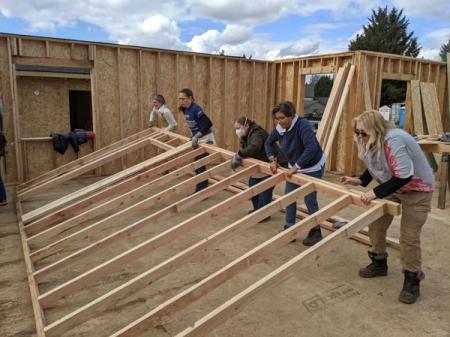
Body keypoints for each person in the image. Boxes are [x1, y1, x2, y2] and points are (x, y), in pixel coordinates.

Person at [341, 109, 434, 304]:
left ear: (376, 129)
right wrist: (359, 181)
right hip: (395, 185)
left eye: (363, 133)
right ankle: (379, 262)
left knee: (408, 237)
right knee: (375, 222)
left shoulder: (393, 140)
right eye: (357, 132)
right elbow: (376, 164)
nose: (359, 136)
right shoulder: (372, 140)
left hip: (418, 189)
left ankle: (412, 279)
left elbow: (403, 175)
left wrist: (374, 193)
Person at [265, 101, 326, 246]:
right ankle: (289, 229)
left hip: (313, 167)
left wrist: (296, 166)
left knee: (309, 199)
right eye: (277, 118)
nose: (279, 121)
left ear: (291, 116)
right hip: (295, 166)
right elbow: (268, 142)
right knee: (289, 197)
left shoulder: (302, 125)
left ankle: (316, 231)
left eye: (282, 118)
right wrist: (272, 160)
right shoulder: (280, 128)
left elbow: (311, 148)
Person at [231, 116, 287, 218]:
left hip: (273, 162)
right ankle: (257, 210)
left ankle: (264, 214)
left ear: (246, 125)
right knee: (253, 184)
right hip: (261, 163)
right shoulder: (246, 134)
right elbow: (247, 148)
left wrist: (239, 154)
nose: (237, 131)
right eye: (236, 128)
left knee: (265, 188)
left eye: (238, 128)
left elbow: (254, 147)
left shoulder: (257, 133)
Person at [178, 88, 216, 192]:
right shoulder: (185, 109)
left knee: (199, 165)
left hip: (207, 139)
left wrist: (196, 136)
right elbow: (194, 125)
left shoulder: (196, 108)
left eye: (183, 98)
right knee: (198, 166)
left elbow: (208, 123)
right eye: (179, 99)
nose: (181, 101)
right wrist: (193, 135)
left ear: (190, 98)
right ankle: (200, 189)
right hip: (198, 140)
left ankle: (202, 190)